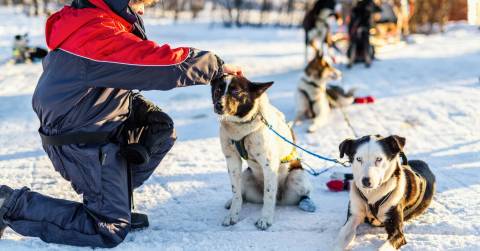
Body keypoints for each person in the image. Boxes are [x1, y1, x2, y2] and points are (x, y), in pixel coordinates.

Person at [0, 0, 242, 248]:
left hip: (89, 115)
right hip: (79, 137)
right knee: (108, 229)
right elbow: (157, 64)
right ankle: (9, 204)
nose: (142, 10)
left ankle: (113, 197)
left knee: (158, 130)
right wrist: (215, 66)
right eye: (139, 2)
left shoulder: (93, 20)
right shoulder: (95, 33)